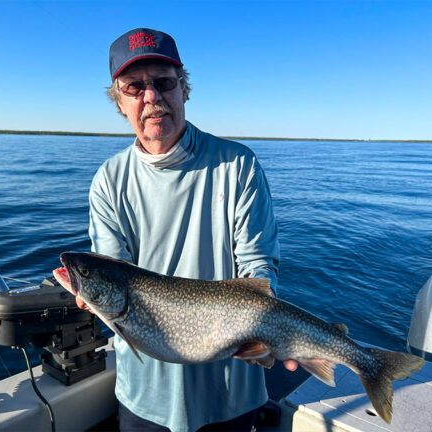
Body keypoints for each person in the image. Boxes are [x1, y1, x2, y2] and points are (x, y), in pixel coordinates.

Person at [79, 27, 286, 432]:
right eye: (134, 87)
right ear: (119, 102)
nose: (151, 97)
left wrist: (266, 335)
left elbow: (259, 268)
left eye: (163, 82)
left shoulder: (237, 165)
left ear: (183, 90)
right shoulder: (108, 180)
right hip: (145, 396)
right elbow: (111, 270)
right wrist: (91, 294)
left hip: (231, 392)